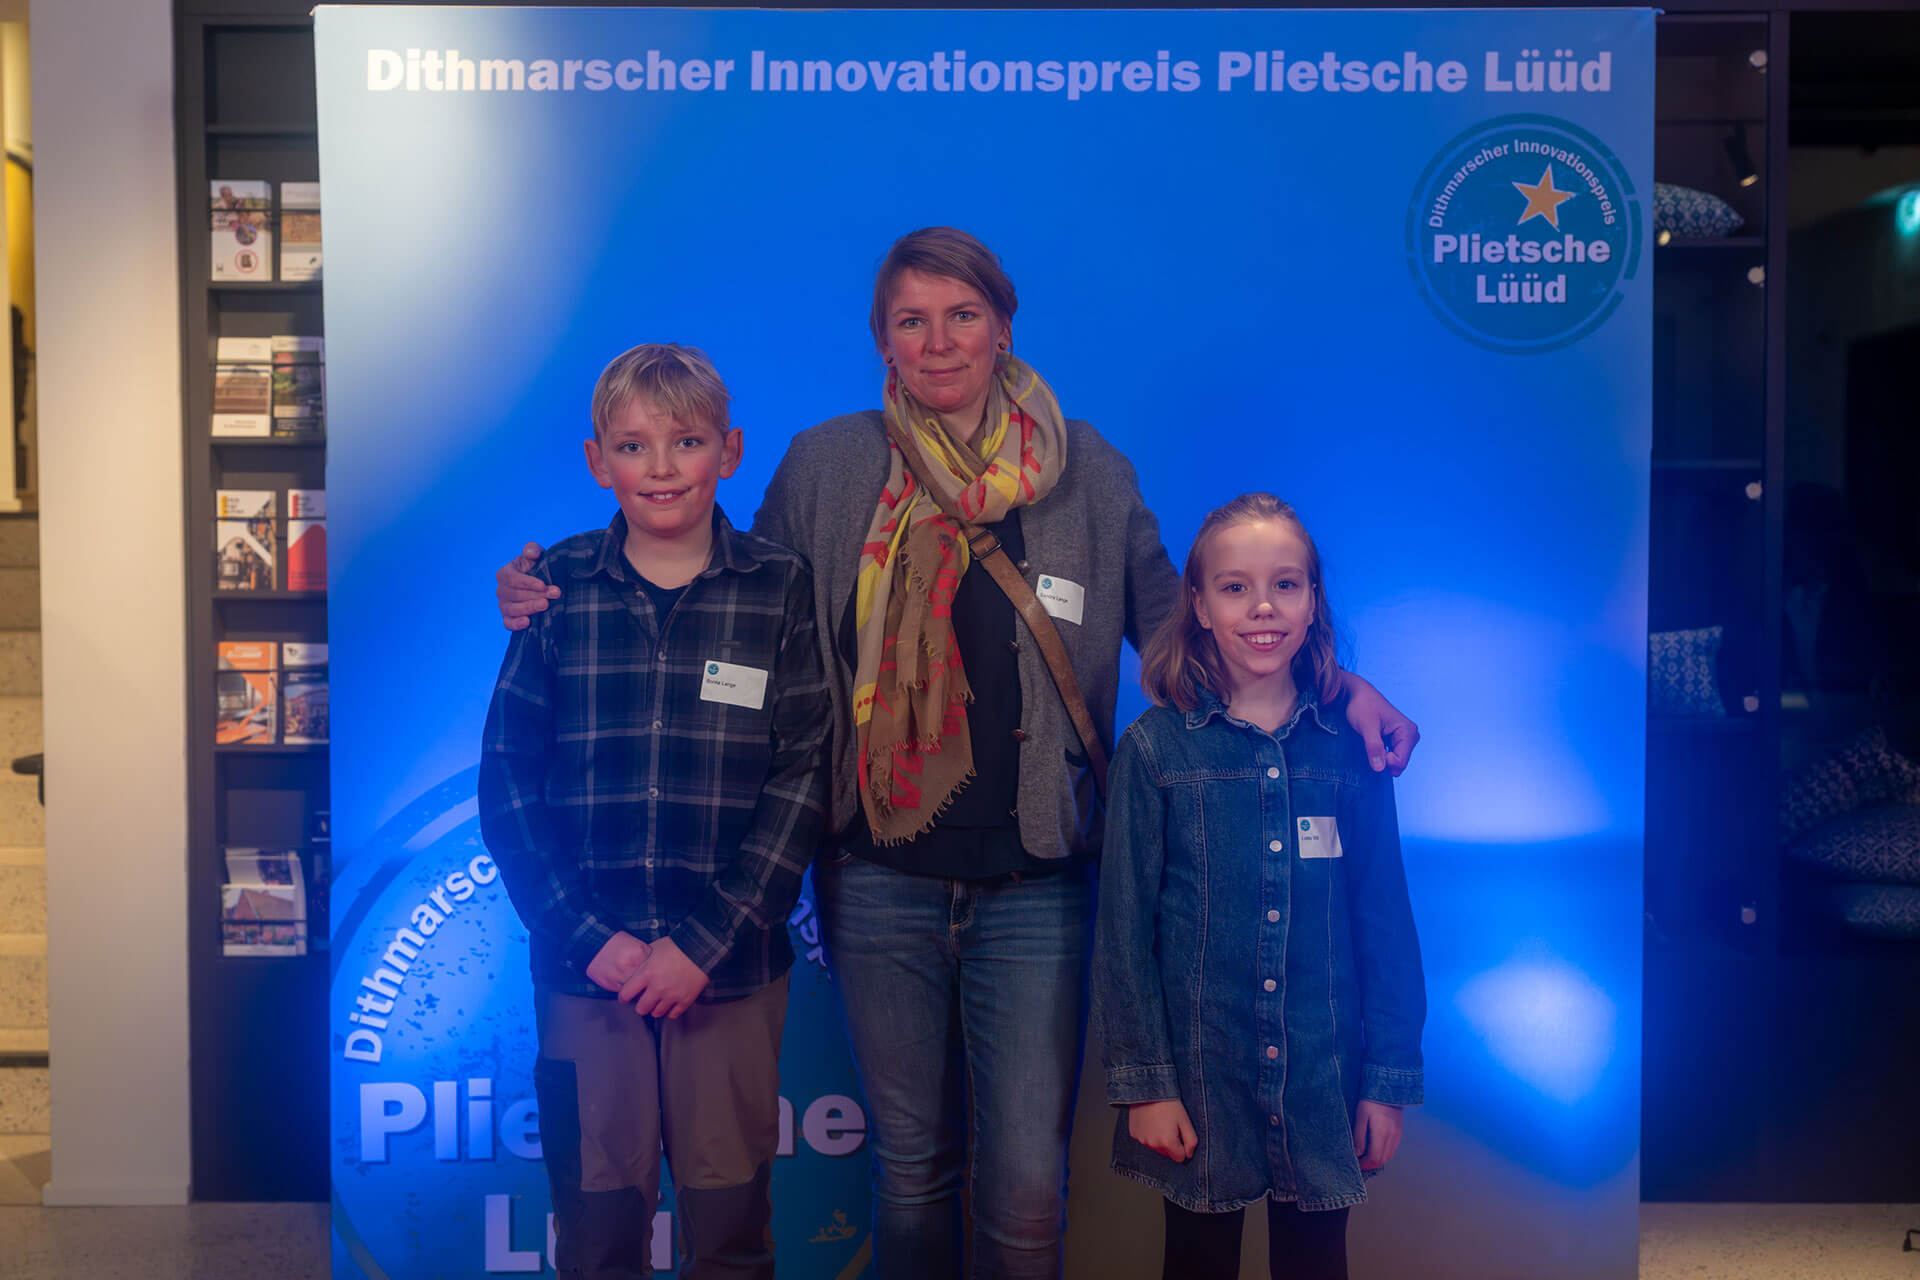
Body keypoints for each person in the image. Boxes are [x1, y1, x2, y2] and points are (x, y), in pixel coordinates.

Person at [492, 229, 1421, 1279]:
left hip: (1037, 885)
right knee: (911, 1171)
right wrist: (552, 582)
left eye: (962, 316)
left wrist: (1342, 685)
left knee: (1024, 1183)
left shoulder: (1089, 470)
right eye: (912, 321)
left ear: (1002, 328)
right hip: (876, 878)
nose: (939, 342)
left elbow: (1189, 625)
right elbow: (732, 595)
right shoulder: (828, 465)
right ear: (883, 342)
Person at [478, 343, 830, 1280]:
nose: (662, 467)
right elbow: (508, 781)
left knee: (731, 1232)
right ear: (599, 462)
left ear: (730, 450)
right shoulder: (556, 588)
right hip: (587, 972)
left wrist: (702, 944)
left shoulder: (780, 587)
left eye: (687, 442)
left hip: (731, 969)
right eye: (634, 447)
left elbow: (803, 774)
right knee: (597, 1235)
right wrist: (589, 937)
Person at [1093, 493, 1425, 1280]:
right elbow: (1124, 936)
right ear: (1199, 606)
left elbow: (1384, 920)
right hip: (1201, 1075)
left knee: (1317, 1262)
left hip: (1323, 1073)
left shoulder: (1351, 752)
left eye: (1286, 584)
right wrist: (1146, 1086)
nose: (1263, 607)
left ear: (1313, 602)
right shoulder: (1155, 751)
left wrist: (1387, 1081)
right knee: (1197, 1262)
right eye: (1235, 587)